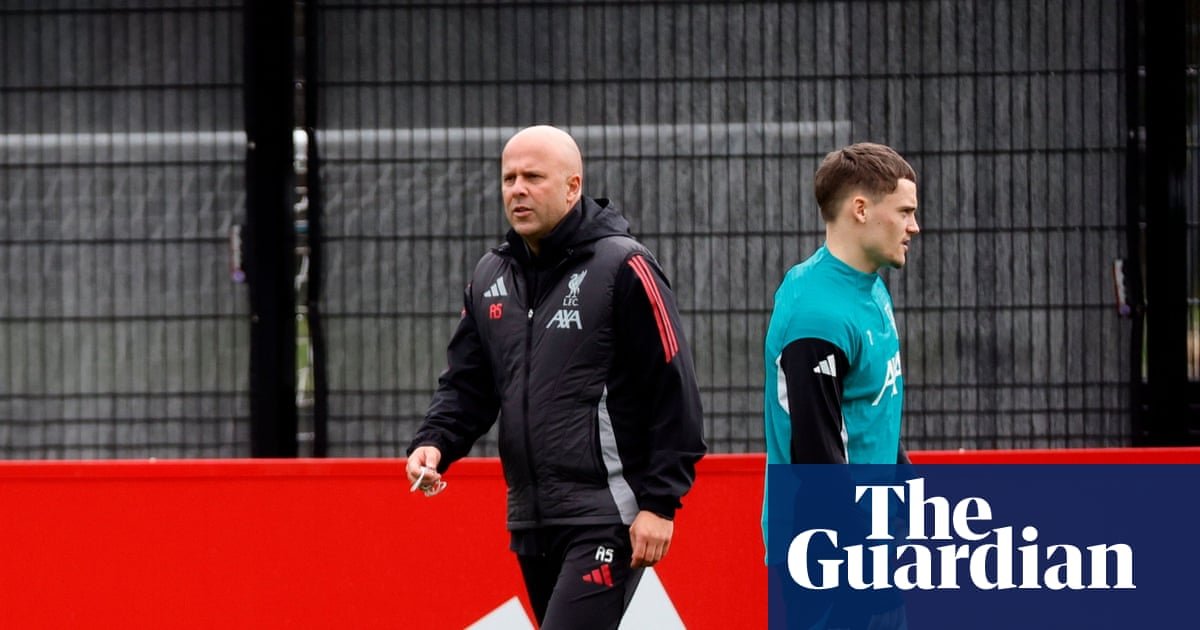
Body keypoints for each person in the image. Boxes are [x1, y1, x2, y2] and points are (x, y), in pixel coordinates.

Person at [406, 125, 706, 629]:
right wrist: (434, 442)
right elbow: (467, 385)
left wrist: (660, 504)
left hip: (608, 515)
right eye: (509, 179)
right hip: (532, 520)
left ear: (573, 187)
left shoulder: (624, 265)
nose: (517, 190)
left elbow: (674, 390)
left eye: (533, 177)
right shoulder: (490, 276)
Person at [761, 142, 919, 629]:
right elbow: (818, 462)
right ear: (861, 209)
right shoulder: (818, 316)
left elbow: (872, 411)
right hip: (829, 550)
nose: (914, 226)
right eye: (905, 212)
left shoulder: (867, 285)